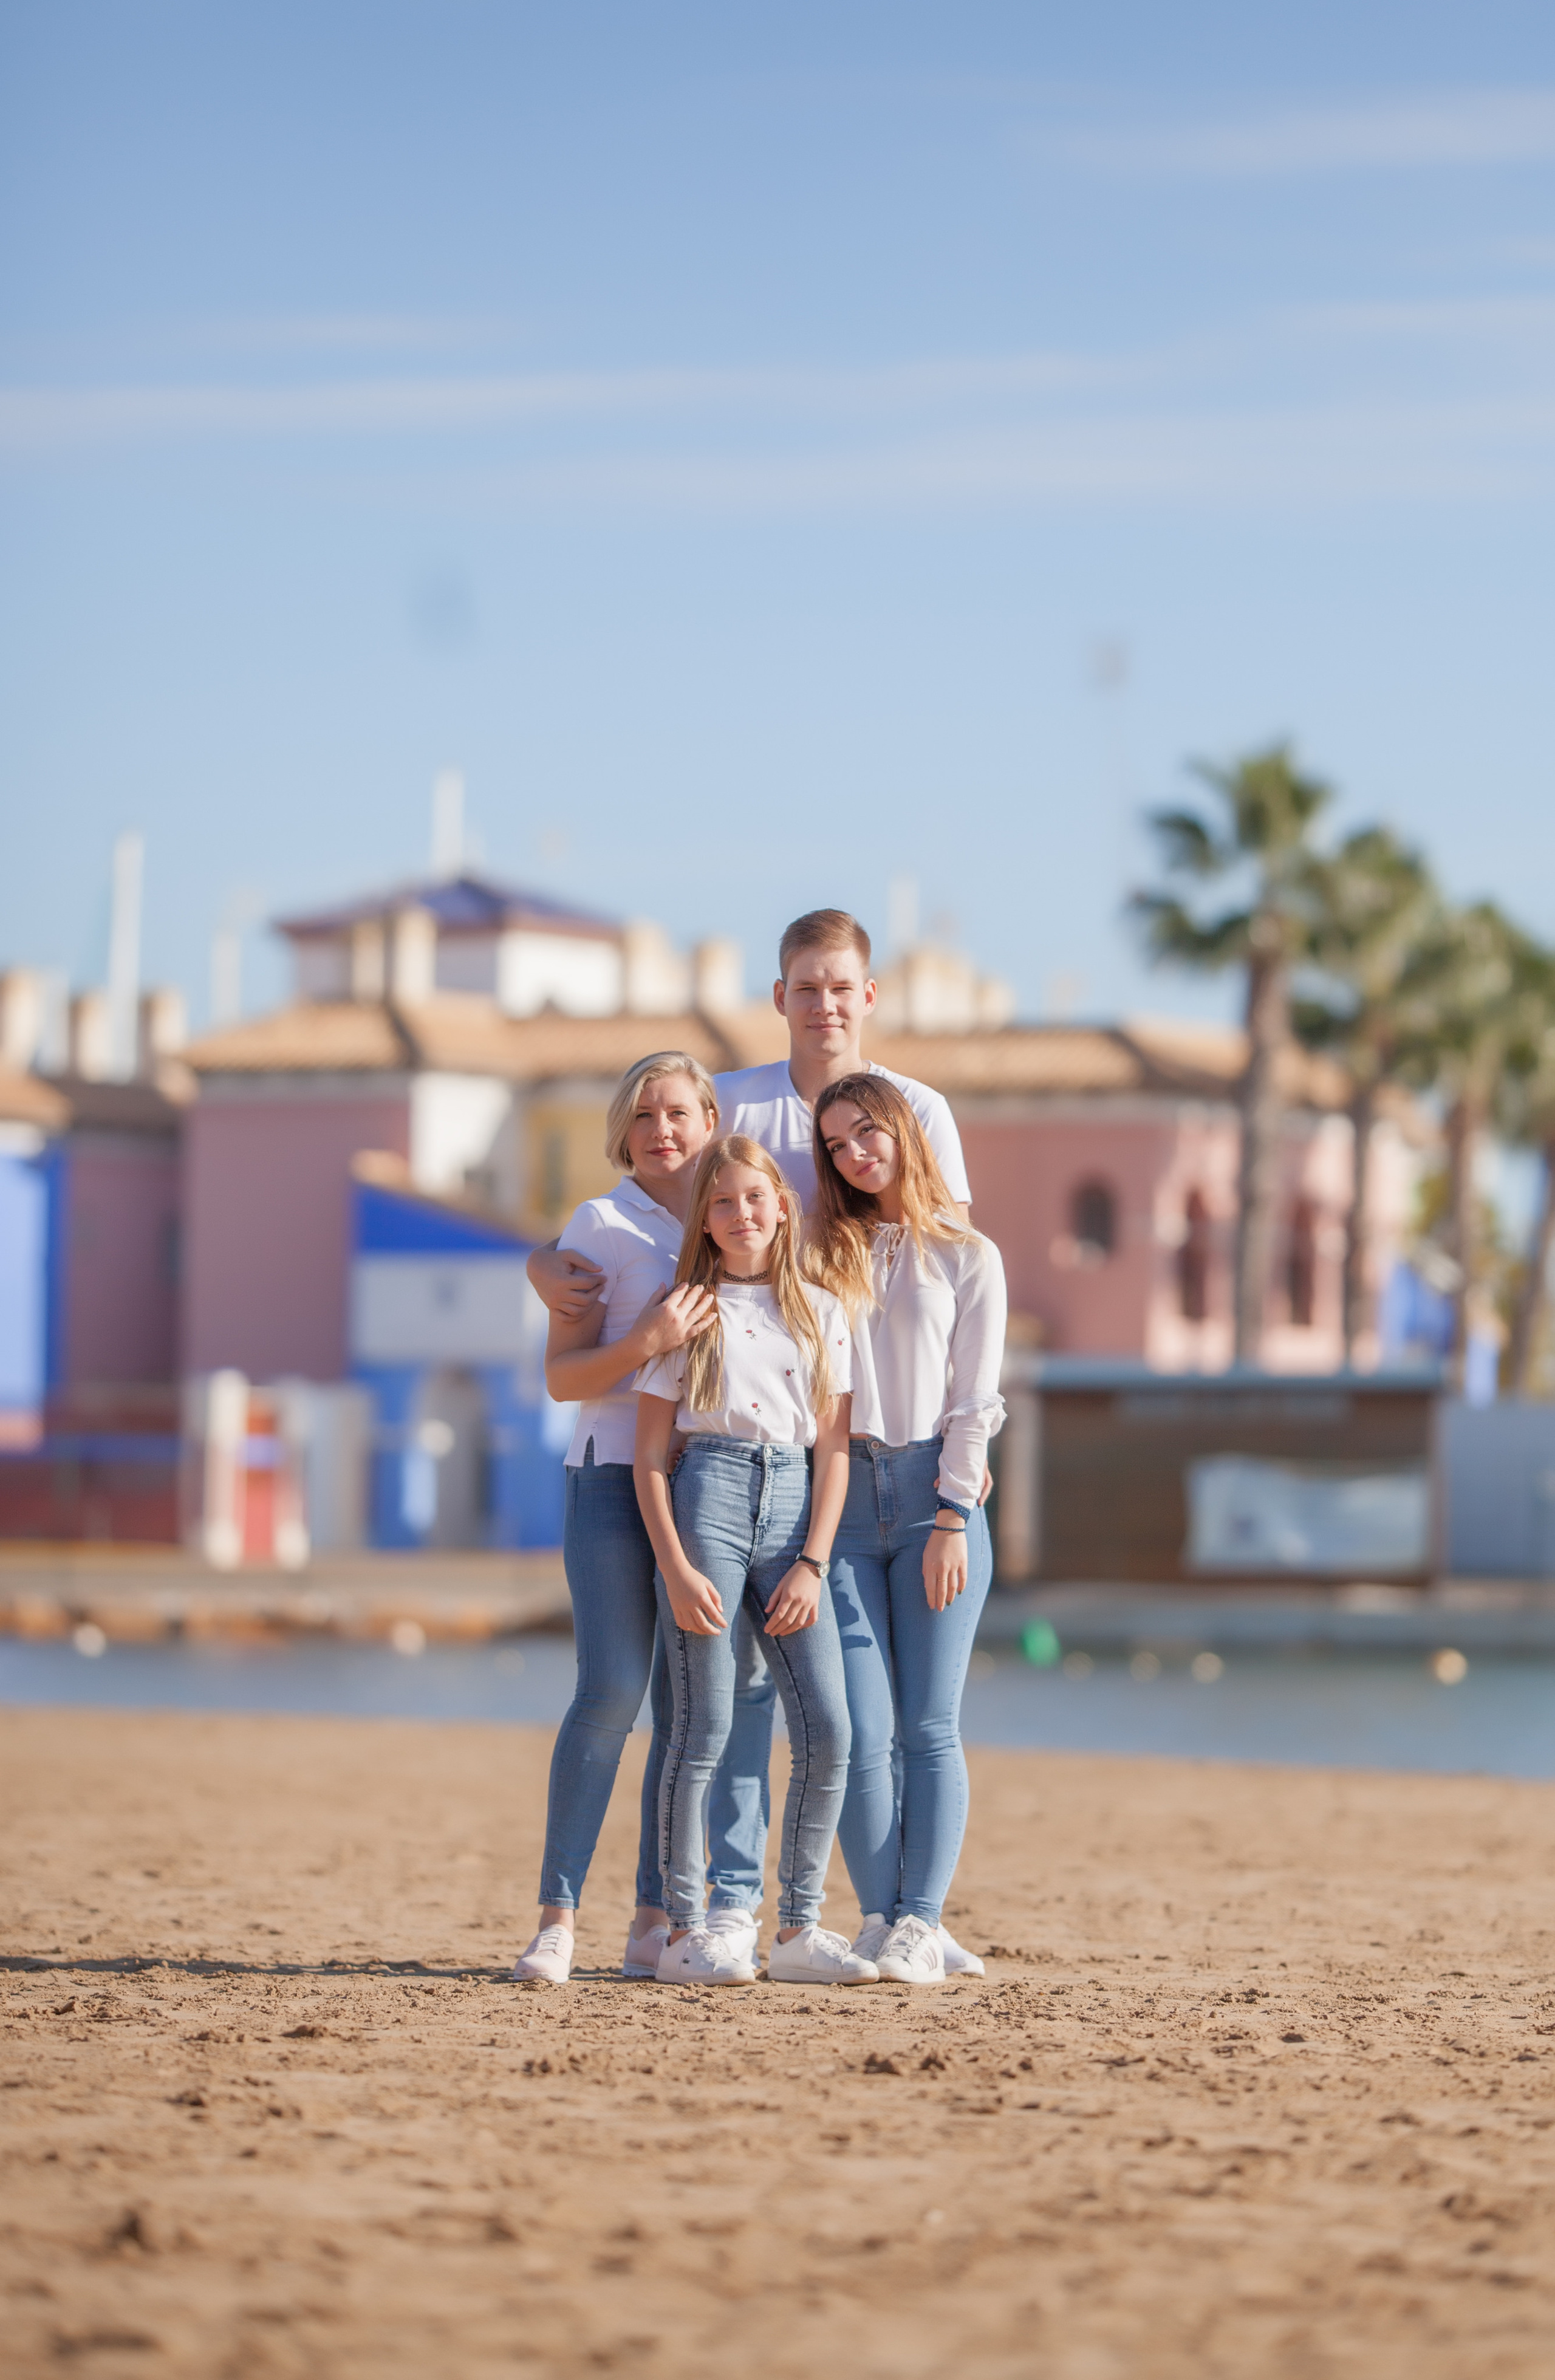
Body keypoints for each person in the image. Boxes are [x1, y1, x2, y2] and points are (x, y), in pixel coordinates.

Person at [524, 909, 986, 1966]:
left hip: (862, 1452)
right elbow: (633, 1207)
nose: (823, 1003)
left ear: (868, 996)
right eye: (804, 986)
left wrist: (965, 1447)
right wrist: (543, 1263)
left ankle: (884, 1915)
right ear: (779, 997)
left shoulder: (919, 1110)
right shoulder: (734, 1100)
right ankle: (711, 1907)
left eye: (841, 986)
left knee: (864, 1716)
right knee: (715, 1697)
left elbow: (951, 1265)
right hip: (708, 1458)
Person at [634, 1135, 878, 1987]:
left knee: (829, 1728)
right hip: (707, 1492)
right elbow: (649, 1457)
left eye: (755, 1197)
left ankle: (799, 1929)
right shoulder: (688, 1310)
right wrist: (674, 1564)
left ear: (782, 1202)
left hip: (792, 1505)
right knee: (702, 1728)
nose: (742, 1214)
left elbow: (837, 1448)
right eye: (723, 1201)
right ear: (706, 1216)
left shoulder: (821, 1308)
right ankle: (687, 1933)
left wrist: (813, 1559)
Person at [511, 1053, 722, 1986]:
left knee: (688, 1715)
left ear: (711, 1117)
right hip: (607, 1479)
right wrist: (648, 1343)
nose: (661, 1130)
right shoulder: (599, 1223)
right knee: (609, 1694)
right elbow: (563, 1379)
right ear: (622, 1131)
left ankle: (655, 1921)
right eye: (644, 1115)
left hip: (711, 1486)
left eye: (678, 1111)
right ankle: (557, 1920)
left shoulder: (741, 1208)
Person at [807, 1073, 1006, 1986]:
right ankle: (884, 1917)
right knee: (855, 1726)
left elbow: (976, 1399)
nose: (856, 1152)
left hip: (935, 1495)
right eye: (837, 1143)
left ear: (902, 1129)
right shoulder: (820, 1250)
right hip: (843, 1497)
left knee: (929, 1725)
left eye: (866, 1132)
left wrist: (956, 1514)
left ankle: (923, 1919)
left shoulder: (969, 1255)